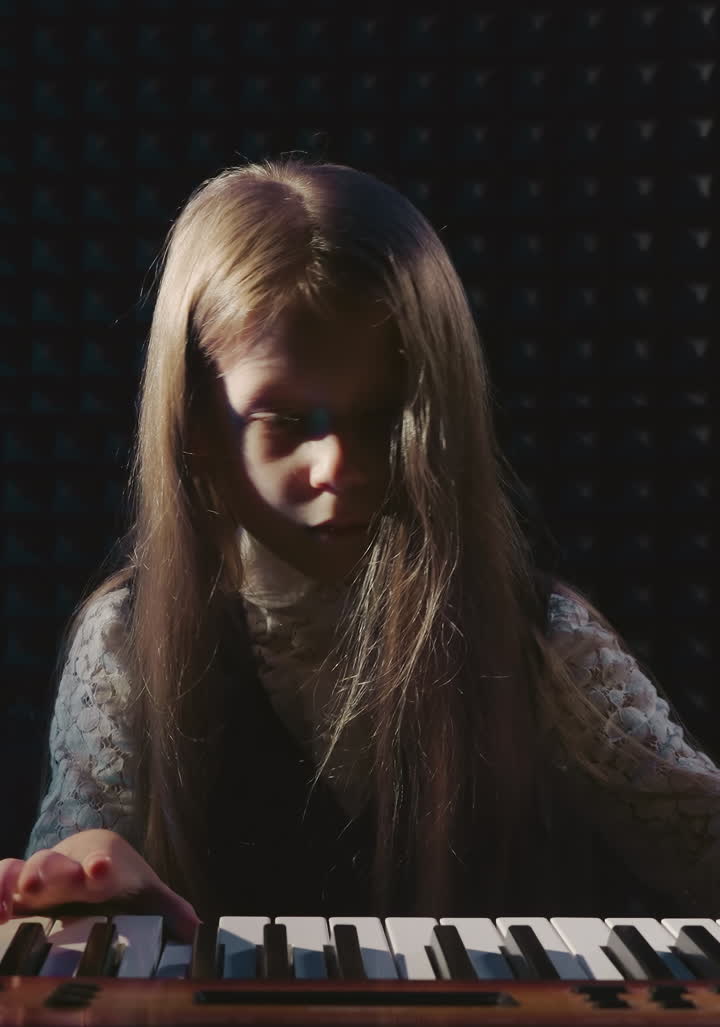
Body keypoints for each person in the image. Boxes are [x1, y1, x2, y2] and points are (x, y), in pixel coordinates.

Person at [4, 157, 720, 943]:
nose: (337, 466)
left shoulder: (539, 637)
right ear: (197, 424)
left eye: (381, 416)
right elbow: (65, 889)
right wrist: (84, 879)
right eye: (282, 420)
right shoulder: (124, 638)